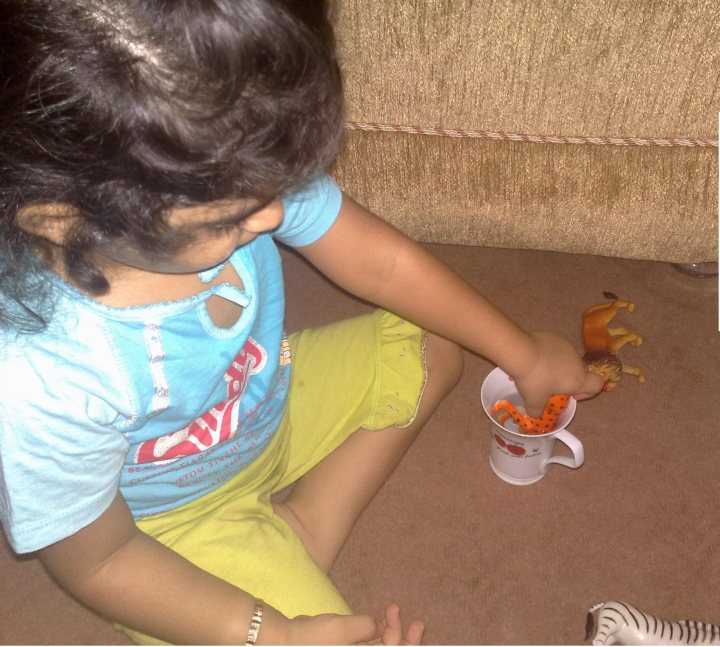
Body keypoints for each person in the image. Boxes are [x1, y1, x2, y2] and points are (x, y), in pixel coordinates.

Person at [0, 1, 604, 644]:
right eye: (226, 221)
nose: (270, 217)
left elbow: (386, 267)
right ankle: (267, 557)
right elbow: (101, 561)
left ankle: (301, 530)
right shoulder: (40, 381)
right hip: (163, 530)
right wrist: (267, 629)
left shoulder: (232, 166)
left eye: (275, 188)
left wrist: (522, 354)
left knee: (438, 341)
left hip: (270, 401)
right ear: (63, 221)